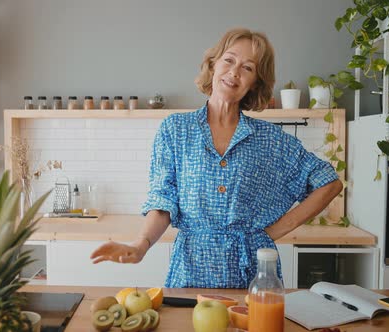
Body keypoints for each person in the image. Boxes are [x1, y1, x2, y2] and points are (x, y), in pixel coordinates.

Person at [90, 28, 343, 288]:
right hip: (191, 269)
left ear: (255, 82)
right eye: (229, 60)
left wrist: (271, 233)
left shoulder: (270, 140)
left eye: (247, 68)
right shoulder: (176, 130)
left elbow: (329, 183)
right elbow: (163, 201)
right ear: (213, 65)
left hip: (251, 274)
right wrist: (141, 245)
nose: (234, 72)